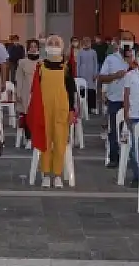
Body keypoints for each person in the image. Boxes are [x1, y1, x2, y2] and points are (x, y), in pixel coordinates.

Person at [29, 36, 77, 187]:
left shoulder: (66, 67)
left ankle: (57, 174)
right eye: (51, 43)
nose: (54, 45)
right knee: (45, 141)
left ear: (62, 47)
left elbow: (71, 91)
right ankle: (45, 174)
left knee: (60, 141)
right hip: (44, 110)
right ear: (46, 46)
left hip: (61, 110)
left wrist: (71, 110)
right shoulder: (40, 66)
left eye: (57, 43)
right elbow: (35, 90)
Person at [98, 34, 132, 168]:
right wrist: (115, 76)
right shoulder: (111, 59)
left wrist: (131, 63)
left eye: (129, 40)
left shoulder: (136, 58)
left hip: (133, 100)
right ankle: (114, 157)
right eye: (124, 40)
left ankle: (133, 158)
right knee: (114, 129)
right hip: (115, 99)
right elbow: (101, 77)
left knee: (133, 130)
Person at [121, 47, 139, 187]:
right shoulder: (130, 75)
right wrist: (126, 113)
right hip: (134, 115)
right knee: (134, 148)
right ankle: (137, 176)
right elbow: (126, 95)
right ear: (136, 58)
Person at [15, 39, 42, 144]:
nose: (33, 48)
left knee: (38, 115)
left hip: (39, 92)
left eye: (35, 46)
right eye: (31, 46)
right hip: (26, 91)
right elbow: (19, 78)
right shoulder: (22, 62)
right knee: (27, 115)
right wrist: (18, 93)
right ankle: (28, 138)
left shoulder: (42, 62)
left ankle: (37, 138)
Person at [75, 37, 99, 113]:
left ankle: (91, 107)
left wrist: (95, 73)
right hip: (82, 74)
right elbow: (78, 64)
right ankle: (83, 107)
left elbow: (96, 63)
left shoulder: (93, 52)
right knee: (83, 90)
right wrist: (78, 76)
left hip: (91, 73)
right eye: (85, 41)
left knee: (91, 90)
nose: (86, 43)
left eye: (88, 41)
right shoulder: (80, 52)